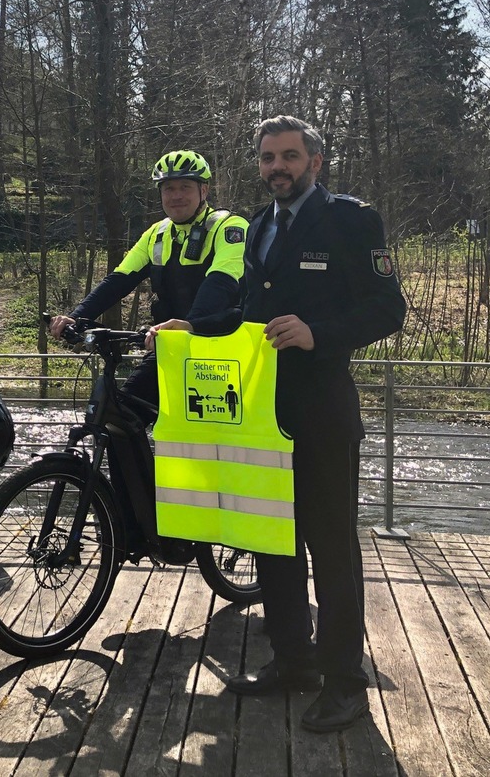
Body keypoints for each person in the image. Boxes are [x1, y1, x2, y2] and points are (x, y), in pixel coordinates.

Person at [148, 115, 406, 733]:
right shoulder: (259, 224)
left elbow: (387, 307)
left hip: (323, 414)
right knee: (272, 543)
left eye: (289, 156)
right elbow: (248, 310)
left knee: (333, 551)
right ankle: (293, 662)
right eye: (267, 159)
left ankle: (344, 682)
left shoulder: (350, 219)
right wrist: (195, 328)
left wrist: (320, 334)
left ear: (315, 160)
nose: (277, 168)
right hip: (261, 416)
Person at [49, 150, 248, 420]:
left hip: (222, 346)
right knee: (121, 418)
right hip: (171, 343)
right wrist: (76, 317)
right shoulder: (157, 233)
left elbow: (220, 282)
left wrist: (189, 325)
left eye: (185, 187)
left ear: (204, 190)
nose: (176, 195)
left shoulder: (230, 227)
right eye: (168, 188)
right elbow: (118, 281)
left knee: (205, 431)